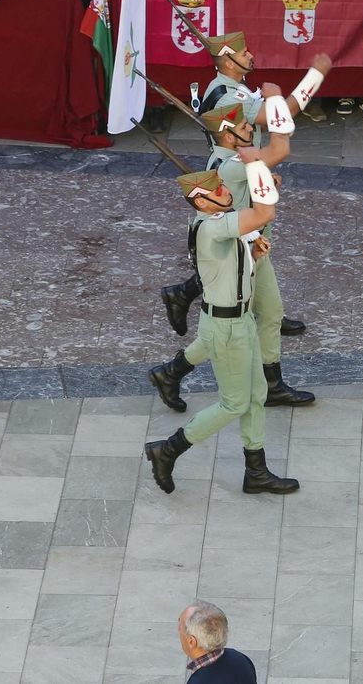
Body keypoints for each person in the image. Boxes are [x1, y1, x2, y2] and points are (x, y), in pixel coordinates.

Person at [150, 94, 320, 413]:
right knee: (241, 323)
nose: (252, 129)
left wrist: (263, 179)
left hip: (248, 247)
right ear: (229, 135)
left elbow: (244, 191)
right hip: (244, 248)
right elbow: (279, 152)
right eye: (244, 126)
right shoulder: (234, 163)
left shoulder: (223, 159)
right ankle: (175, 372)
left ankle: (174, 370)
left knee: (261, 317)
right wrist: (277, 100)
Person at [143, 153, 300, 497]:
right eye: (217, 189)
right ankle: (167, 450)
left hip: (240, 321)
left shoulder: (218, 220)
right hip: (225, 329)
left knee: (257, 395)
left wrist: (253, 257)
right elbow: (263, 213)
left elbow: (237, 258)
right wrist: (258, 167)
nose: (226, 191)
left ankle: (256, 472)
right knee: (234, 403)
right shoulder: (212, 227)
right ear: (201, 199)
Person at [178, 602, 256, 683]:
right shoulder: (240, 659)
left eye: (180, 626)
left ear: (192, 641)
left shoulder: (198, 681)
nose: (178, 629)